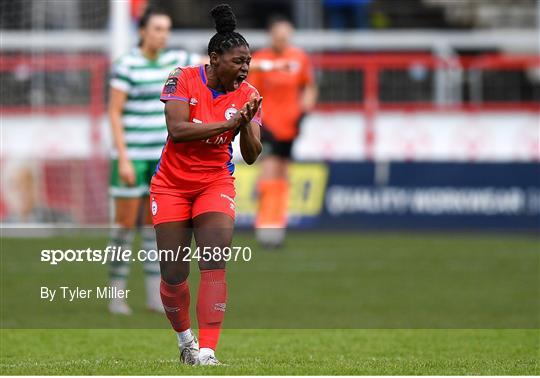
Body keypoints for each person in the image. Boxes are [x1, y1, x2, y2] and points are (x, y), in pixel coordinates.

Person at [151, 4, 262, 366]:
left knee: (214, 260)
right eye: (238, 61)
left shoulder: (248, 95)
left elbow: (251, 154)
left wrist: (245, 123)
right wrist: (228, 125)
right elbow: (178, 131)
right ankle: (187, 342)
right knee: (173, 272)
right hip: (170, 185)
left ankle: (208, 353)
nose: (244, 69)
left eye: (248, 62)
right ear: (214, 59)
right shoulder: (181, 77)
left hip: (215, 183)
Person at [107, 7, 200, 315]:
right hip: (132, 155)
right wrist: (122, 157)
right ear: (143, 31)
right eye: (158, 28)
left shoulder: (178, 62)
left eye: (167, 29)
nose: (164, 34)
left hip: (162, 159)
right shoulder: (127, 65)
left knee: (153, 228)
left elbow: (209, 67)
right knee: (123, 227)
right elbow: (114, 113)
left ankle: (152, 297)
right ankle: (116, 295)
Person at [248, 16, 318, 248]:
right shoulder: (262, 60)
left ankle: (277, 226)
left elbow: (308, 86)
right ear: (272, 36)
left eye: (286, 36)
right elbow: (251, 92)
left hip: (290, 125)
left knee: (283, 175)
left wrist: (304, 111)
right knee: (268, 173)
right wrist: (257, 123)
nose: (282, 40)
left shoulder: (299, 57)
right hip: (268, 126)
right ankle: (265, 228)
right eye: (278, 36)